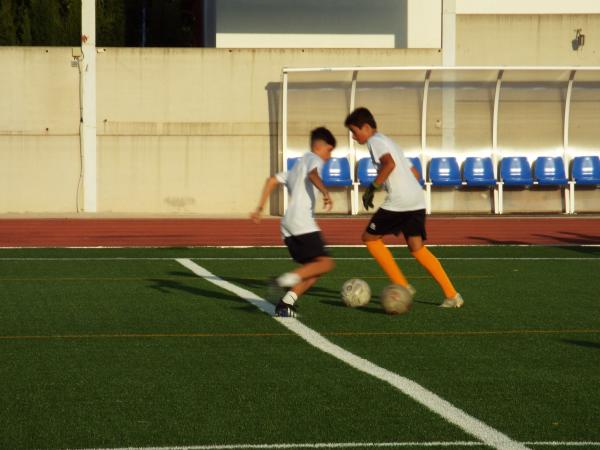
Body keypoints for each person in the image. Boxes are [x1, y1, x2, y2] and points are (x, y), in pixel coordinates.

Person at [344, 107, 463, 308]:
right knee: (417, 248)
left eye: (354, 132)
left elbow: (389, 164)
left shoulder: (375, 141)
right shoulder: (390, 141)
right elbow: (414, 173)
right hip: (417, 200)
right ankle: (452, 295)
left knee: (369, 238)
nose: (354, 137)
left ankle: (402, 285)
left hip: (400, 202)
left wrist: (372, 188)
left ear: (366, 127)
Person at [251, 127, 336, 317]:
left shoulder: (297, 167)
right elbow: (314, 175)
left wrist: (259, 208)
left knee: (313, 268)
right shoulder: (314, 159)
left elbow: (272, 180)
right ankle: (282, 281)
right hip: (301, 222)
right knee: (326, 264)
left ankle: (286, 303)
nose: (329, 157)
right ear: (322, 147)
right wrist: (325, 192)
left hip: (287, 225)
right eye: (330, 151)